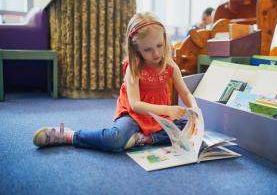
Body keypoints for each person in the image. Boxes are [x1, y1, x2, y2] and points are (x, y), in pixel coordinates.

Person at [33, 12, 198, 152]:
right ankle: (70, 136)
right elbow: (136, 105)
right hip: (135, 116)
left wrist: (193, 107)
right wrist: (168, 110)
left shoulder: (170, 66)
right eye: (147, 49)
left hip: (160, 118)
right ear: (137, 49)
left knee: (189, 128)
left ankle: (144, 139)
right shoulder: (133, 69)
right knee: (114, 139)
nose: (156, 53)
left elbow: (185, 93)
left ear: (165, 40)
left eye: (160, 45)